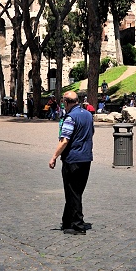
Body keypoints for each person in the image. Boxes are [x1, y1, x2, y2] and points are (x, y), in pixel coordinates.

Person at [48, 91, 94, 235]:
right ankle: (67, 221)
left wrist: (54, 157)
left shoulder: (70, 117)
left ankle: (78, 225)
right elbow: (91, 132)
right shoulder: (88, 115)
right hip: (86, 158)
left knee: (72, 192)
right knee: (76, 191)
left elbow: (64, 140)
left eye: (63, 103)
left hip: (73, 158)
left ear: (67, 102)